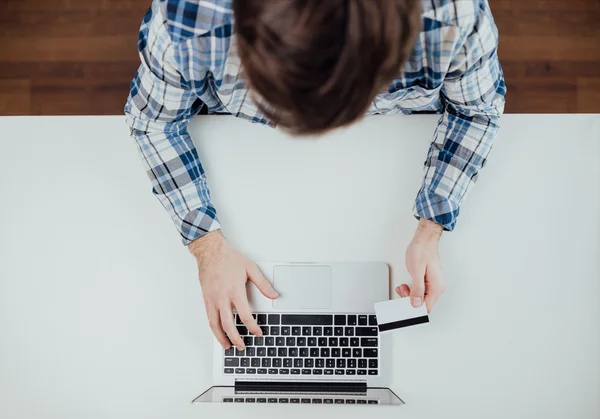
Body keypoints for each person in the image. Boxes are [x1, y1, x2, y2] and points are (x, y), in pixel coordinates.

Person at [125, 0, 505, 351]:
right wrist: (206, 247)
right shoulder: (189, 20)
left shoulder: (452, 14)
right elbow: (153, 124)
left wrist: (430, 228)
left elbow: (475, 111)